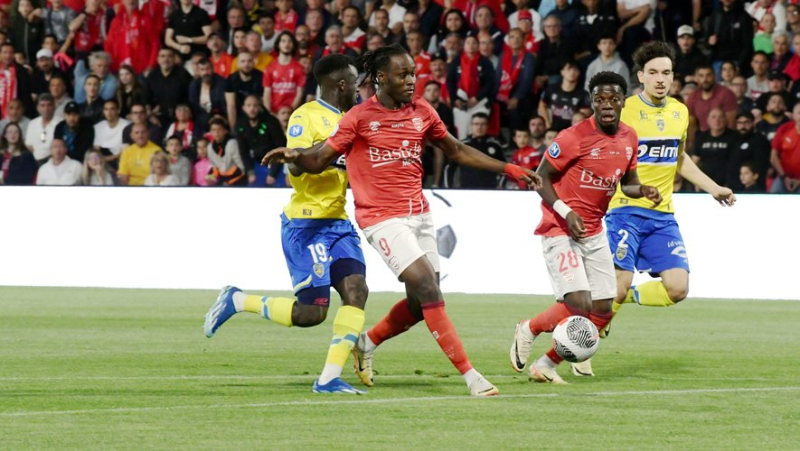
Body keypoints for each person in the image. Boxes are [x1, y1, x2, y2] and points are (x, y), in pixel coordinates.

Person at [262, 44, 541, 396]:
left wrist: (510, 168)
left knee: (421, 302)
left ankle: (367, 342)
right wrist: (295, 155)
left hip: (419, 213)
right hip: (381, 218)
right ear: (381, 78)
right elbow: (318, 160)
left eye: (413, 73)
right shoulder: (358, 118)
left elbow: (455, 150)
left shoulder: (422, 110)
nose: (412, 80)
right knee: (427, 288)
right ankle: (471, 376)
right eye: (403, 74)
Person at [204, 54, 371, 395]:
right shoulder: (305, 116)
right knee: (312, 313)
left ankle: (328, 379)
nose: (359, 89)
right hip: (306, 224)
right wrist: (300, 157)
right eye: (355, 83)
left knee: (357, 291)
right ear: (341, 84)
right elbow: (295, 167)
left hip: (338, 221)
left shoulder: (353, 118)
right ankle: (236, 301)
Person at [510, 71, 660, 384]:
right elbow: (540, 178)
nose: (607, 104)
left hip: (594, 231)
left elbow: (628, 183)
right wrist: (565, 212)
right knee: (578, 304)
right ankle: (530, 328)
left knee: (603, 309)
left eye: (613, 98)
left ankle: (546, 365)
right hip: (560, 228)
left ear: (623, 102)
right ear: (591, 102)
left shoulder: (630, 138)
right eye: (600, 99)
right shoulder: (573, 137)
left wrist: (642, 190)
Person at [599, 42, 737, 373]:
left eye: (666, 73)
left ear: (673, 77)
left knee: (677, 288)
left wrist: (713, 187)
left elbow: (679, 158)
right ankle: (586, 339)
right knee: (615, 285)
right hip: (624, 210)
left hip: (662, 216)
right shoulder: (624, 111)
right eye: (654, 73)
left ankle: (624, 297)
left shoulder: (679, 112)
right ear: (641, 76)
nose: (661, 79)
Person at [235, 94, 285, 186]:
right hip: (257, 164)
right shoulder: (240, 125)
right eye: (249, 105)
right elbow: (244, 152)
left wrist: (273, 173)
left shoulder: (271, 122)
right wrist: (250, 172)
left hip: (276, 163)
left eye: (255, 105)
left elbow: (280, 147)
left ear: (260, 106)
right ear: (244, 108)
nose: (252, 109)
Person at [691, 108, 740, 187]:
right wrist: (696, 181)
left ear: (725, 120)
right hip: (704, 183)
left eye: (720, 117)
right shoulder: (701, 137)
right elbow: (694, 161)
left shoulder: (734, 137)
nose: (717, 120)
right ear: (708, 120)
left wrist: (730, 183)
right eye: (713, 117)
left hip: (726, 183)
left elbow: (735, 162)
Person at [538, 60, 591, 132]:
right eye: (569, 69)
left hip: (572, 133)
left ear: (579, 73)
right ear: (562, 72)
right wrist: (547, 124)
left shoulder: (583, 95)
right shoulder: (552, 89)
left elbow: (582, 116)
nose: (572, 72)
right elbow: (542, 105)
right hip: (553, 130)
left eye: (575, 69)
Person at [262, 31, 305, 115]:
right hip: (273, 113)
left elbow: (299, 93)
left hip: (292, 113)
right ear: (278, 44)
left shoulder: (299, 68)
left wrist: (289, 112)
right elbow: (267, 92)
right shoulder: (269, 68)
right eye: (283, 41)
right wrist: (269, 113)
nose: (287, 44)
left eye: (289, 41)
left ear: (293, 45)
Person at [458, 112, 505, 188]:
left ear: (487, 126)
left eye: (483, 124)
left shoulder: (495, 145)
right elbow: (449, 168)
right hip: (466, 191)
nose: (479, 127)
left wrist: (500, 185)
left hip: (490, 191)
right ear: (471, 126)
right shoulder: (462, 145)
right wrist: (448, 187)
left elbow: (505, 168)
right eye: (476, 124)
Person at [728, 112, 770, 191]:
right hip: (733, 185)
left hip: (753, 186)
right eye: (740, 123)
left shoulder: (760, 140)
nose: (743, 126)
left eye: (746, 122)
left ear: (753, 123)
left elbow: (761, 164)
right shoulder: (732, 139)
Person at [769, 102, 800, 193]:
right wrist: (784, 177)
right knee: (772, 198)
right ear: (793, 115)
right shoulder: (784, 129)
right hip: (784, 177)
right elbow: (773, 157)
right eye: (799, 113)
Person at [25, 94, 62, 163]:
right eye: (42, 106)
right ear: (37, 108)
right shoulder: (32, 123)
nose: (46, 109)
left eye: (49, 105)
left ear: (54, 106)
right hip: (34, 161)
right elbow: (29, 145)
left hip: (54, 160)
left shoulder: (61, 123)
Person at [93, 99, 131, 165]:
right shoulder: (98, 127)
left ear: (118, 110)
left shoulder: (127, 126)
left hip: (121, 161)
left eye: (112, 109)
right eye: (106, 109)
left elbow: (125, 151)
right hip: (102, 161)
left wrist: (109, 158)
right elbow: (96, 150)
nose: (109, 112)